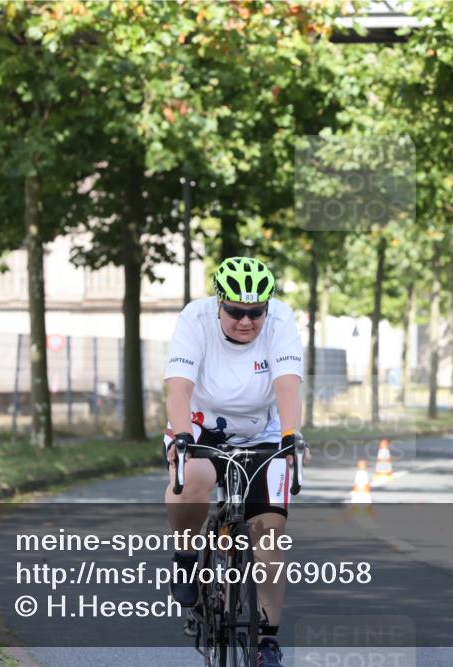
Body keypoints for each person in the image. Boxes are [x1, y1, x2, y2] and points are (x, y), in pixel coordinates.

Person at [163, 257, 308, 667]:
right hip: (201, 425)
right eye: (236, 312)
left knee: (271, 534)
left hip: (264, 431)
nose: (246, 321)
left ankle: (268, 642)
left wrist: (290, 437)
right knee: (191, 477)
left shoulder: (281, 321)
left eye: (255, 312)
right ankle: (187, 557)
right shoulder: (195, 318)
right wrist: (181, 437)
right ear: (219, 303)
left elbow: (287, 384)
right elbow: (178, 388)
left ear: (268, 306)